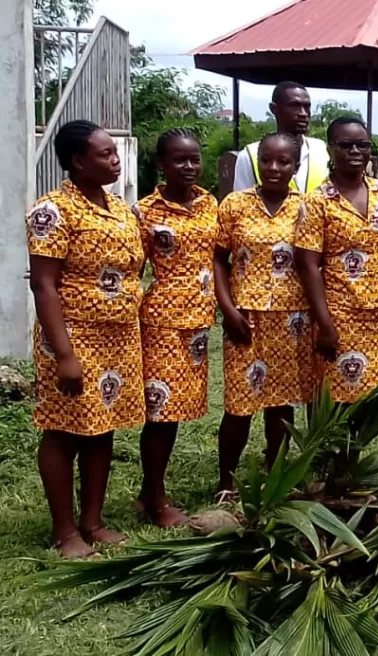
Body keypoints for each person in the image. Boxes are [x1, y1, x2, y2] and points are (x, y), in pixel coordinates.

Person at [27, 120, 144, 557]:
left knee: (101, 426)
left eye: (115, 153)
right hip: (73, 336)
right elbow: (44, 285)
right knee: (63, 431)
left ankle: (92, 521)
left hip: (117, 338)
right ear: (78, 161)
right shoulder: (53, 211)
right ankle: (64, 529)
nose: (115, 160)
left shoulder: (119, 209)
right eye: (104, 154)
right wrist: (64, 355)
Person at [214, 132, 315, 501]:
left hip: (294, 320)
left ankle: (276, 477)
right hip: (245, 318)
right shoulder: (234, 206)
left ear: (296, 165)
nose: (274, 168)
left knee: (281, 404)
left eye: (283, 162)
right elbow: (218, 260)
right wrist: (227, 309)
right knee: (239, 406)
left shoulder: (307, 207)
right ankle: (226, 482)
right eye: (267, 161)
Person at [295, 117, 378, 410]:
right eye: (346, 145)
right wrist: (324, 324)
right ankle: (332, 457)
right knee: (335, 399)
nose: (355, 151)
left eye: (362, 144)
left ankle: (356, 455)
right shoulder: (318, 201)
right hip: (339, 313)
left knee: (374, 399)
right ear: (332, 149)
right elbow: (308, 265)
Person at [133, 129, 218, 528]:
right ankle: (157, 499)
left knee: (176, 412)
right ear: (161, 165)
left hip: (199, 324)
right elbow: (133, 267)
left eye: (194, 159)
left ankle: (148, 491)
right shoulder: (145, 211)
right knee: (161, 413)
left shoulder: (208, 203)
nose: (189, 167)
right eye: (179, 160)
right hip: (162, 322)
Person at [232, 81, 330, 194]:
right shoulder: (250, 154)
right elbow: (241, 205)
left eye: (307, 106)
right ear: (274, 109)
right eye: (295, 106)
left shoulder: (320, 149)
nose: (303, 113)